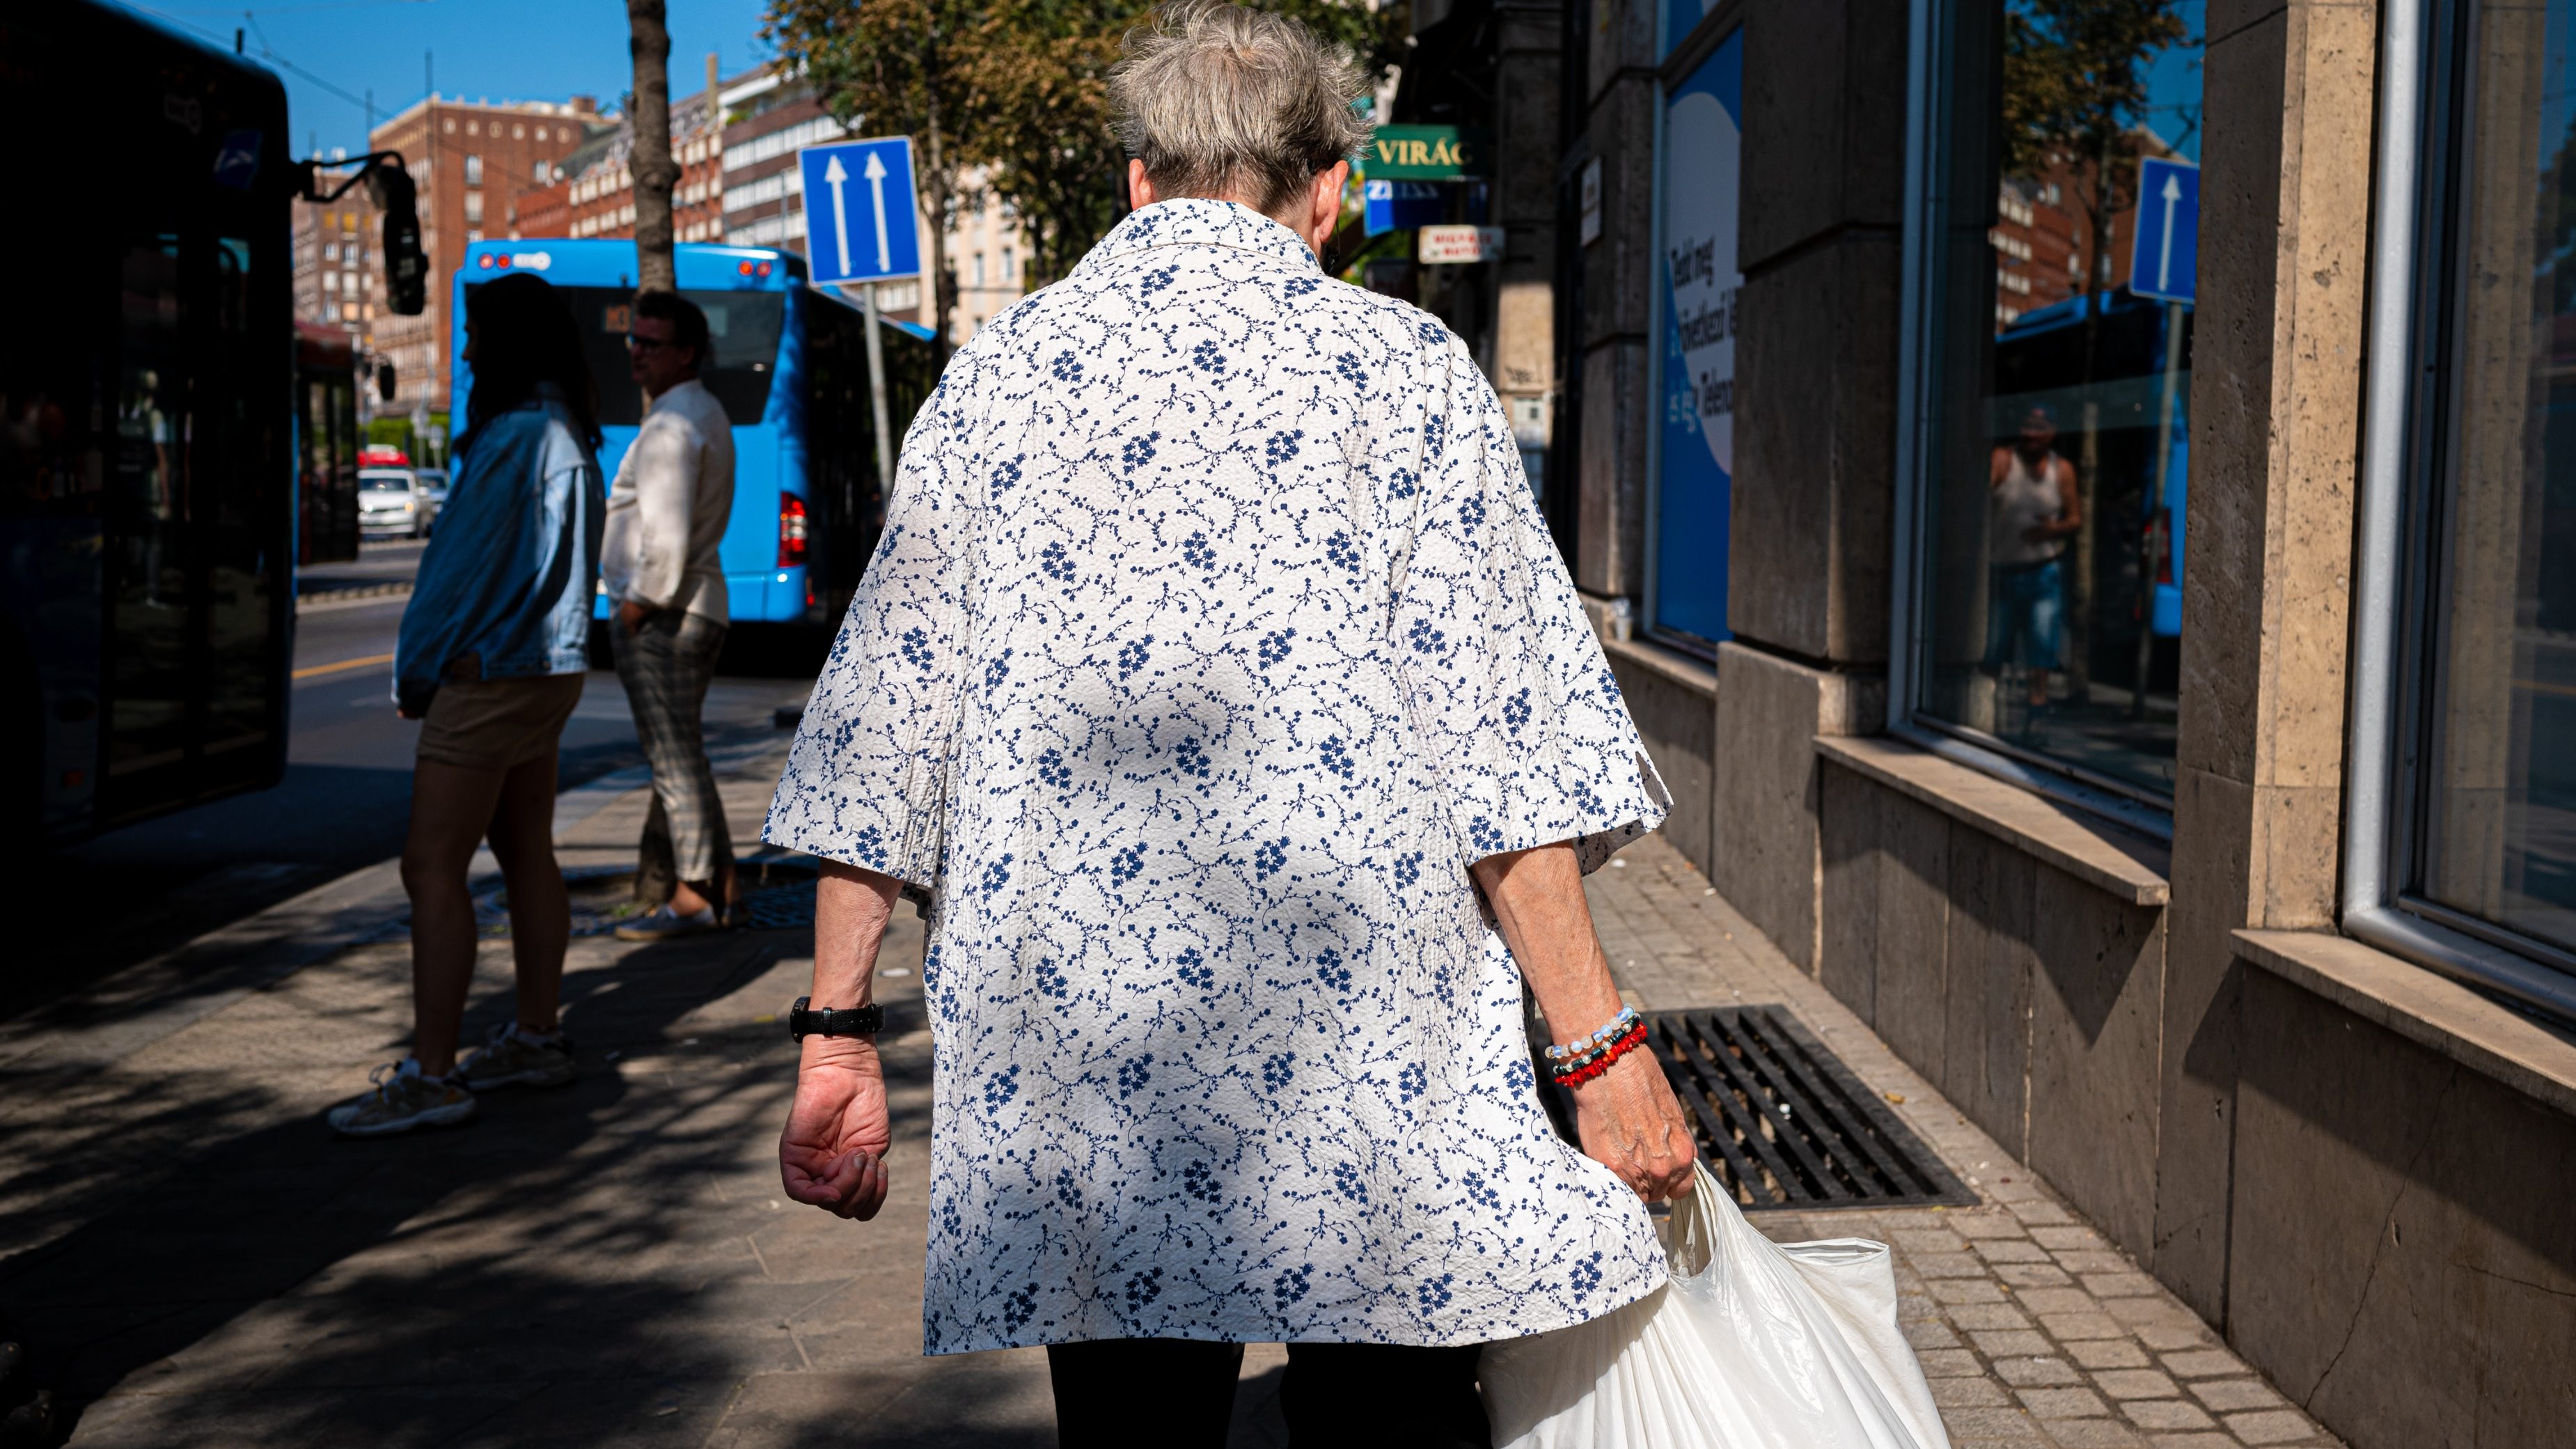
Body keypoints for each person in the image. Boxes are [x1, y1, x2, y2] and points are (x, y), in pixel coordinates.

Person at [760, 6, 1698, 1444]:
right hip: (1369, 1055)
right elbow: (1503, 754)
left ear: (1138, 180)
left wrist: (836, 1032)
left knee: (1133, 1417)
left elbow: (881, 736)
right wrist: (1596, 1049)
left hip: (1081, 1064)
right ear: (1327, 189)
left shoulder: (991, 382)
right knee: (1387, 1406)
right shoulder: (1403, 376)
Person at [329, 272, 606, 1138]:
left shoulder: (516, 436)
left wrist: (415, 673)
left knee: (431, 867)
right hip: (548, 668)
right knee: (527, 851)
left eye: (476, 333)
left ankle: (433, 1073)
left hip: (490, 671)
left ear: (508, 342)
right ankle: (536, 1033)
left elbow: (454, 572)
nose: (465, 349)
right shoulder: (570, 432)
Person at [602, 289, 741, 941]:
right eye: (633, 340)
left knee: (673, 759)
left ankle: (692, 895)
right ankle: (723, 886)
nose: (635, 351)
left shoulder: (670, 425)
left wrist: (634, 608)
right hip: (697, 605)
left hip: (667, 613)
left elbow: (663, 539)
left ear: (686, 352)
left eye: (650, 343)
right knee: (686, 755)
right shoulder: (705, 410)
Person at [1987, 405, 2082, 707]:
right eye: (2026, 426)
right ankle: (1986, 714)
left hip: (2044, 573)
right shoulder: (2003, 460)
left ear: (2051, 433)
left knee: (2040, 655)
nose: (2030, 434)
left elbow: (2075, 519)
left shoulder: (2061, 469)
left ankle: (2036, 722)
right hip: (2002, 571)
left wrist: (2052, 530)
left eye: (2038, 428)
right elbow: (1975, 504)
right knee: (1993, 649)